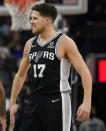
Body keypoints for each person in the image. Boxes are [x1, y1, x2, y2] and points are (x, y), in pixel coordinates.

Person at [9, 3, 92, 131]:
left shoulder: (64, 42)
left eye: (35, 18)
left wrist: (86, 102)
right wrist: (13, 101)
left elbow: (85, 72)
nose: (31, 22)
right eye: (31, 18)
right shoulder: (30, 44)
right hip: (35, 100)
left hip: (57, 99)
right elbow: (20, 75)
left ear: (47, 21)